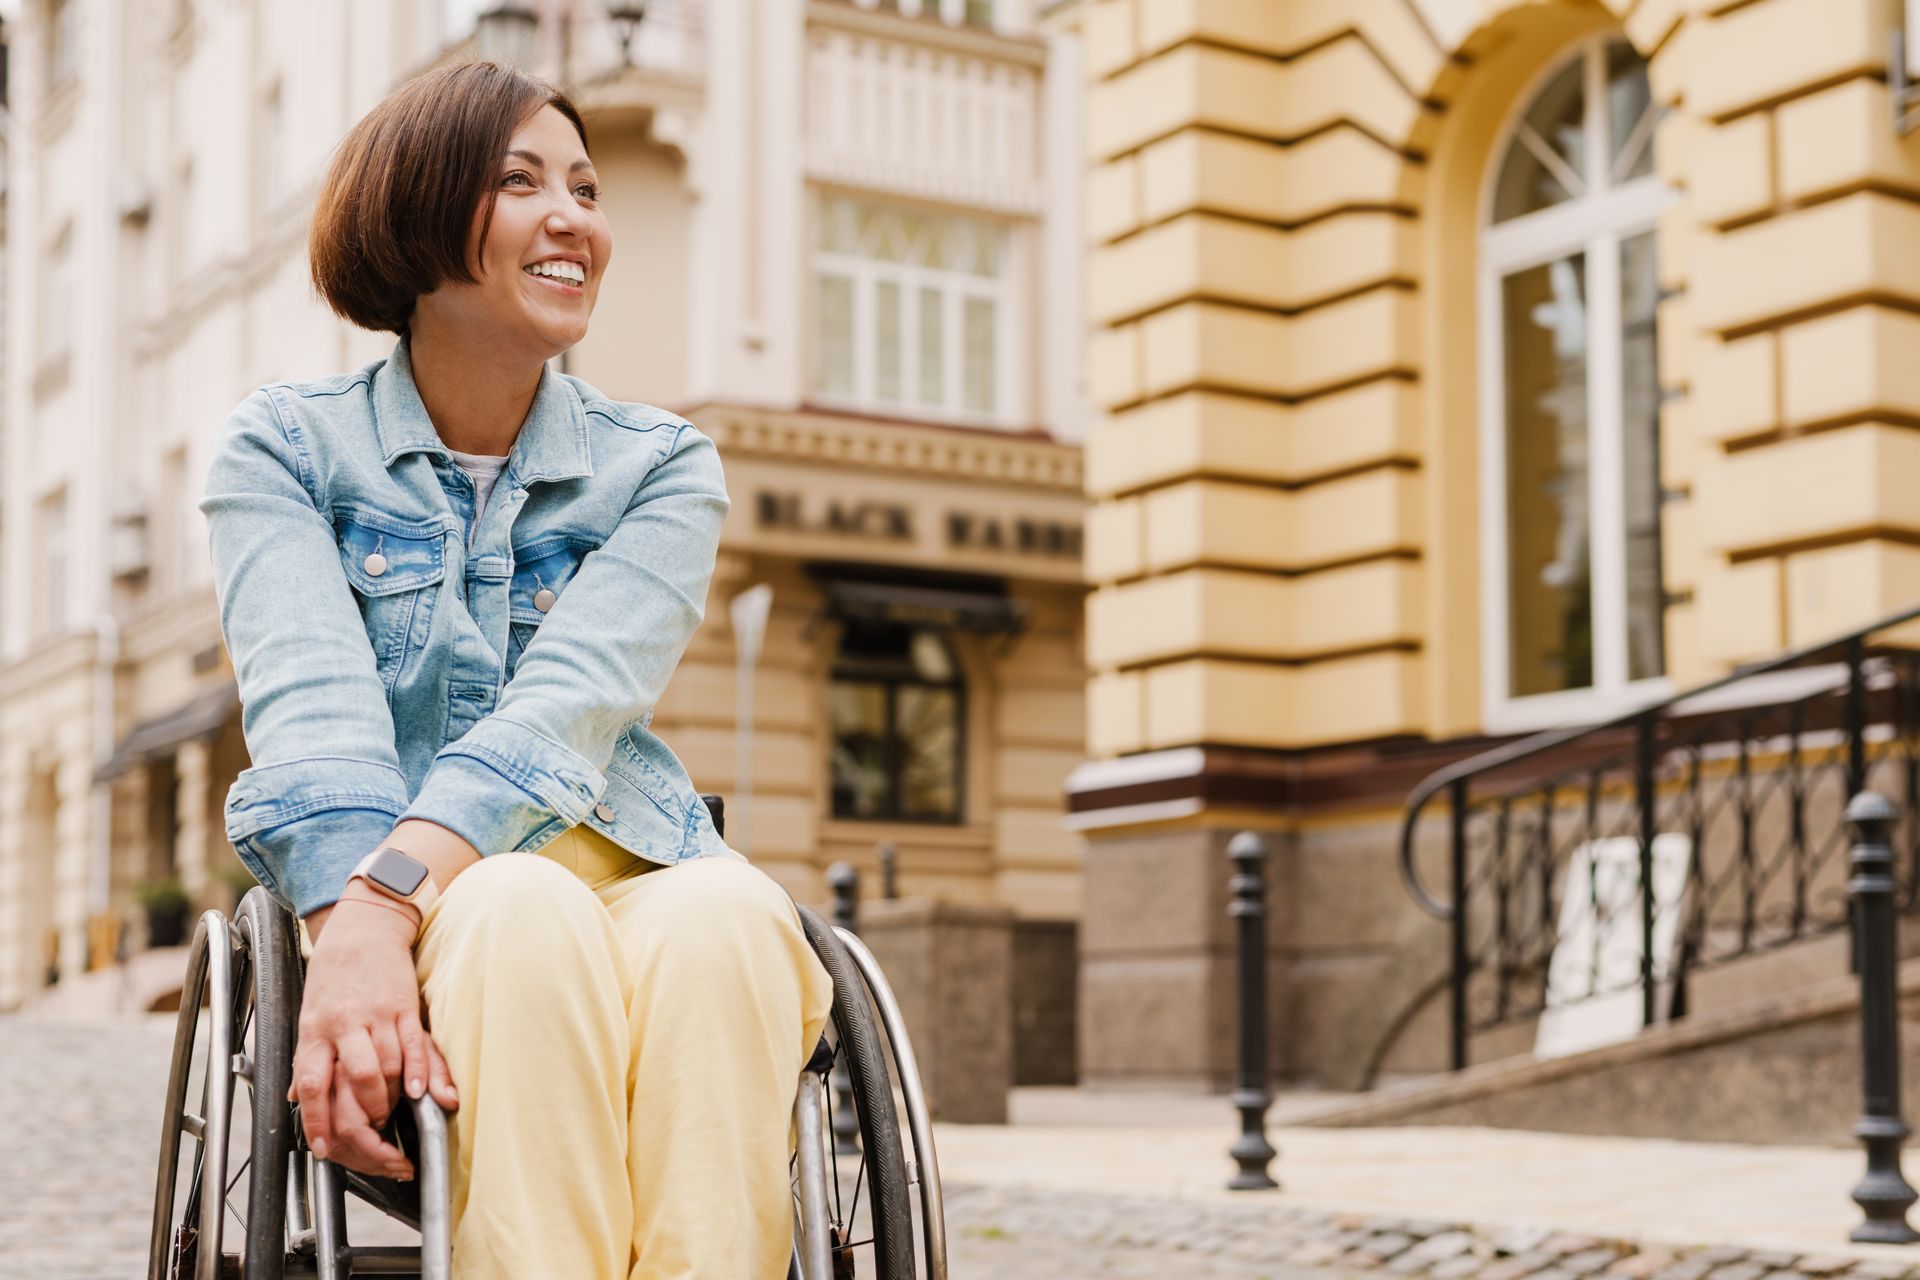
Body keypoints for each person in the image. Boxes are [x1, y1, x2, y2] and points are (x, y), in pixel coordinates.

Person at [201, 60, 833, 1279]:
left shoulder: (660, 465)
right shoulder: (286, 449)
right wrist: (363, 919)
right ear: (420, 212)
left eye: (588, 189)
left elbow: (570, 709)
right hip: (420, 890)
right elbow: (314, 713)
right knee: (512, 906)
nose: (576, 218)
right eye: (522, 180)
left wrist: (385, 899)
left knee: (731, 919)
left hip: (619, 848)